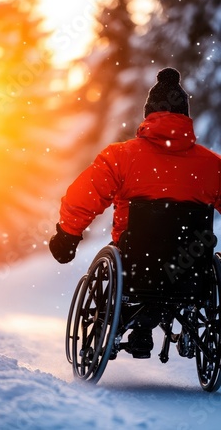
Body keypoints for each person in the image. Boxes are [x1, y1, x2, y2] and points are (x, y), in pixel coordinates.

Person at [49, 67, 221, 357]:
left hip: (135, 266)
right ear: (185, 117)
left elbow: (85, 195)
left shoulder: (121, 156)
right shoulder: (212, 165)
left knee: (126, 252)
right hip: (190, 272)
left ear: (148, 115)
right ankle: (151, 323)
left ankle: (130, 323)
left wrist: (68, 234)